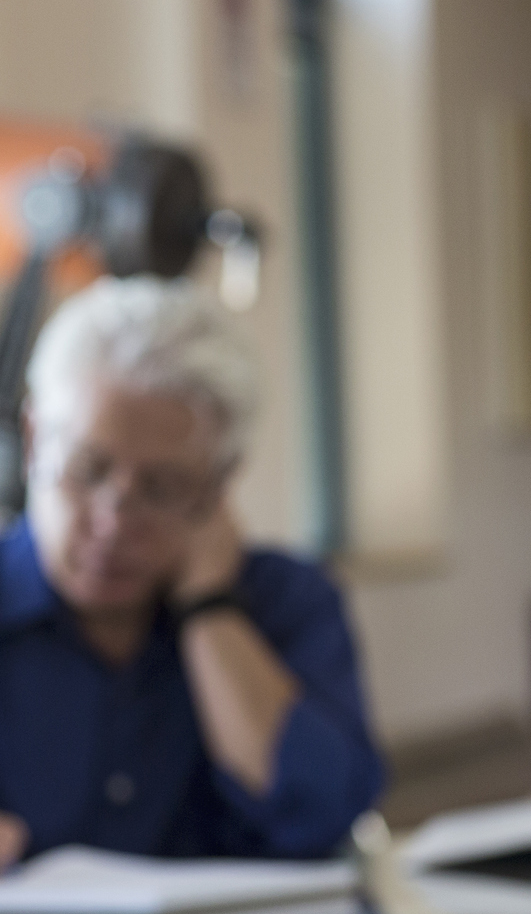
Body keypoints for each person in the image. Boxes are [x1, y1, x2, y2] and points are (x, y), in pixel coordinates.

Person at [0, 276, 384, 869]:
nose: (113, 521)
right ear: (32, 442)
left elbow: (322, 815)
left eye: (161, 488)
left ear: (219, 483)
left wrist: (209, 608)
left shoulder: (285, 601)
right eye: (87, 468)